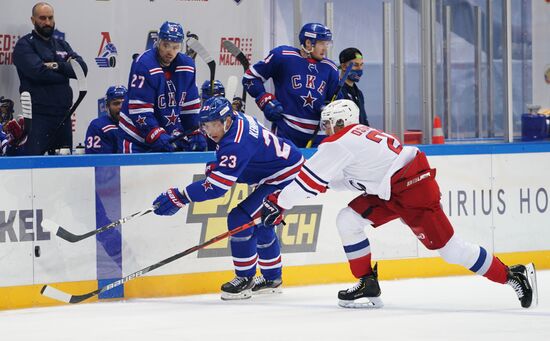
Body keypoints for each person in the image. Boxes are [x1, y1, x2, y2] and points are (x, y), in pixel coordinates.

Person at [261, 99, 538, 309]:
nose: (326, 130)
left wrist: (280, 202)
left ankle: (512, 274)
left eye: (328, 124)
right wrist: (315, 186)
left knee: (451, 250)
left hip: (412, 189)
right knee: (348, 219)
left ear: (341, 122)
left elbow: (309, 181)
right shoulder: (359, 136)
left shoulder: (340, 142)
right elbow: (354, 179)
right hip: (391, 188)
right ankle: (367, 283)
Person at [152, 97, 304, 300]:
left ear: (227, 120)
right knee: (263, 223)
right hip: (279, 169)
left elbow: (217, 188)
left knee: (240, 219)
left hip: (285, 176)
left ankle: (245, 279)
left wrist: (180, 196)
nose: (210, 131)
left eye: (215, 124)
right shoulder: (237, 120)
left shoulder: (236, 143)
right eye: (206, 125)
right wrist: (220, 168)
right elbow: (249, 162)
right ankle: (272, 278)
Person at [243, 23, 340, 147]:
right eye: (322, 43)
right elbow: (250, 77)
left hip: (318, 136)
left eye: (327, 43)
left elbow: (335, 100)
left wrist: (331, 109)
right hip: (286, 132)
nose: (325, 48)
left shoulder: (331, 68)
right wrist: (265, 100)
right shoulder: (283, 56)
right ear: (308, 43)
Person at [118, 21, 206, 153]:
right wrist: (156, 134)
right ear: (158, 42)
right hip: (136, 136)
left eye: (176, 47)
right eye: (166, 45)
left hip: (167, 135)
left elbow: (190, 106)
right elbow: (139, 109)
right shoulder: (144, 64)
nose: (170, 52)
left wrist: (194, 131)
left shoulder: (187, 66)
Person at [12, 2, 88, 155]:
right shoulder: (24, 45)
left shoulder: (62, 44)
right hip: (38, 118)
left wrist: (55, 66)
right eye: (42, 18)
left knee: (63, 168)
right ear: (33, 20)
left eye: (50, 18)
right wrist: (66, 70)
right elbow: (38, 73)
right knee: (35, 167)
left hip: (64, 116)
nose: (47, 22)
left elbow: (82, 69)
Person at [84, 85, 127, 154]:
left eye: (124, 103)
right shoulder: (98, 126)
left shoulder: (138, 124)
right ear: (107, 106)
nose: (121, 107)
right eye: (116, 103)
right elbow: (98, 161)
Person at [339, 48, 368, 126]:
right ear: (344, 66)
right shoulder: (337, 91)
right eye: (355, 65)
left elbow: (363, 121)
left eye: (361, 65)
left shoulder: (359, 93)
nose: (360, 69)